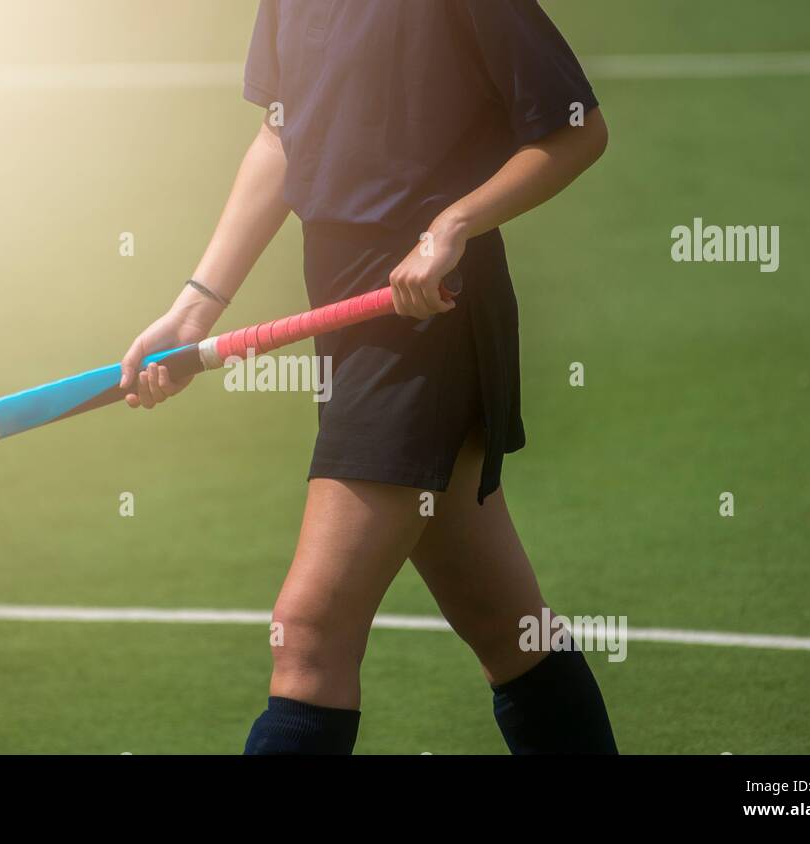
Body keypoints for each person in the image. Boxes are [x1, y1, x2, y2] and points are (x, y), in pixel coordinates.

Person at [119, 0, 616, 754]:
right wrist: (197, 305)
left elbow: (577, 129)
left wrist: (453, 225)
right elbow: (283, 131)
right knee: (507, 626)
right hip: (345, 311)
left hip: (426, 316)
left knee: (310, 634)